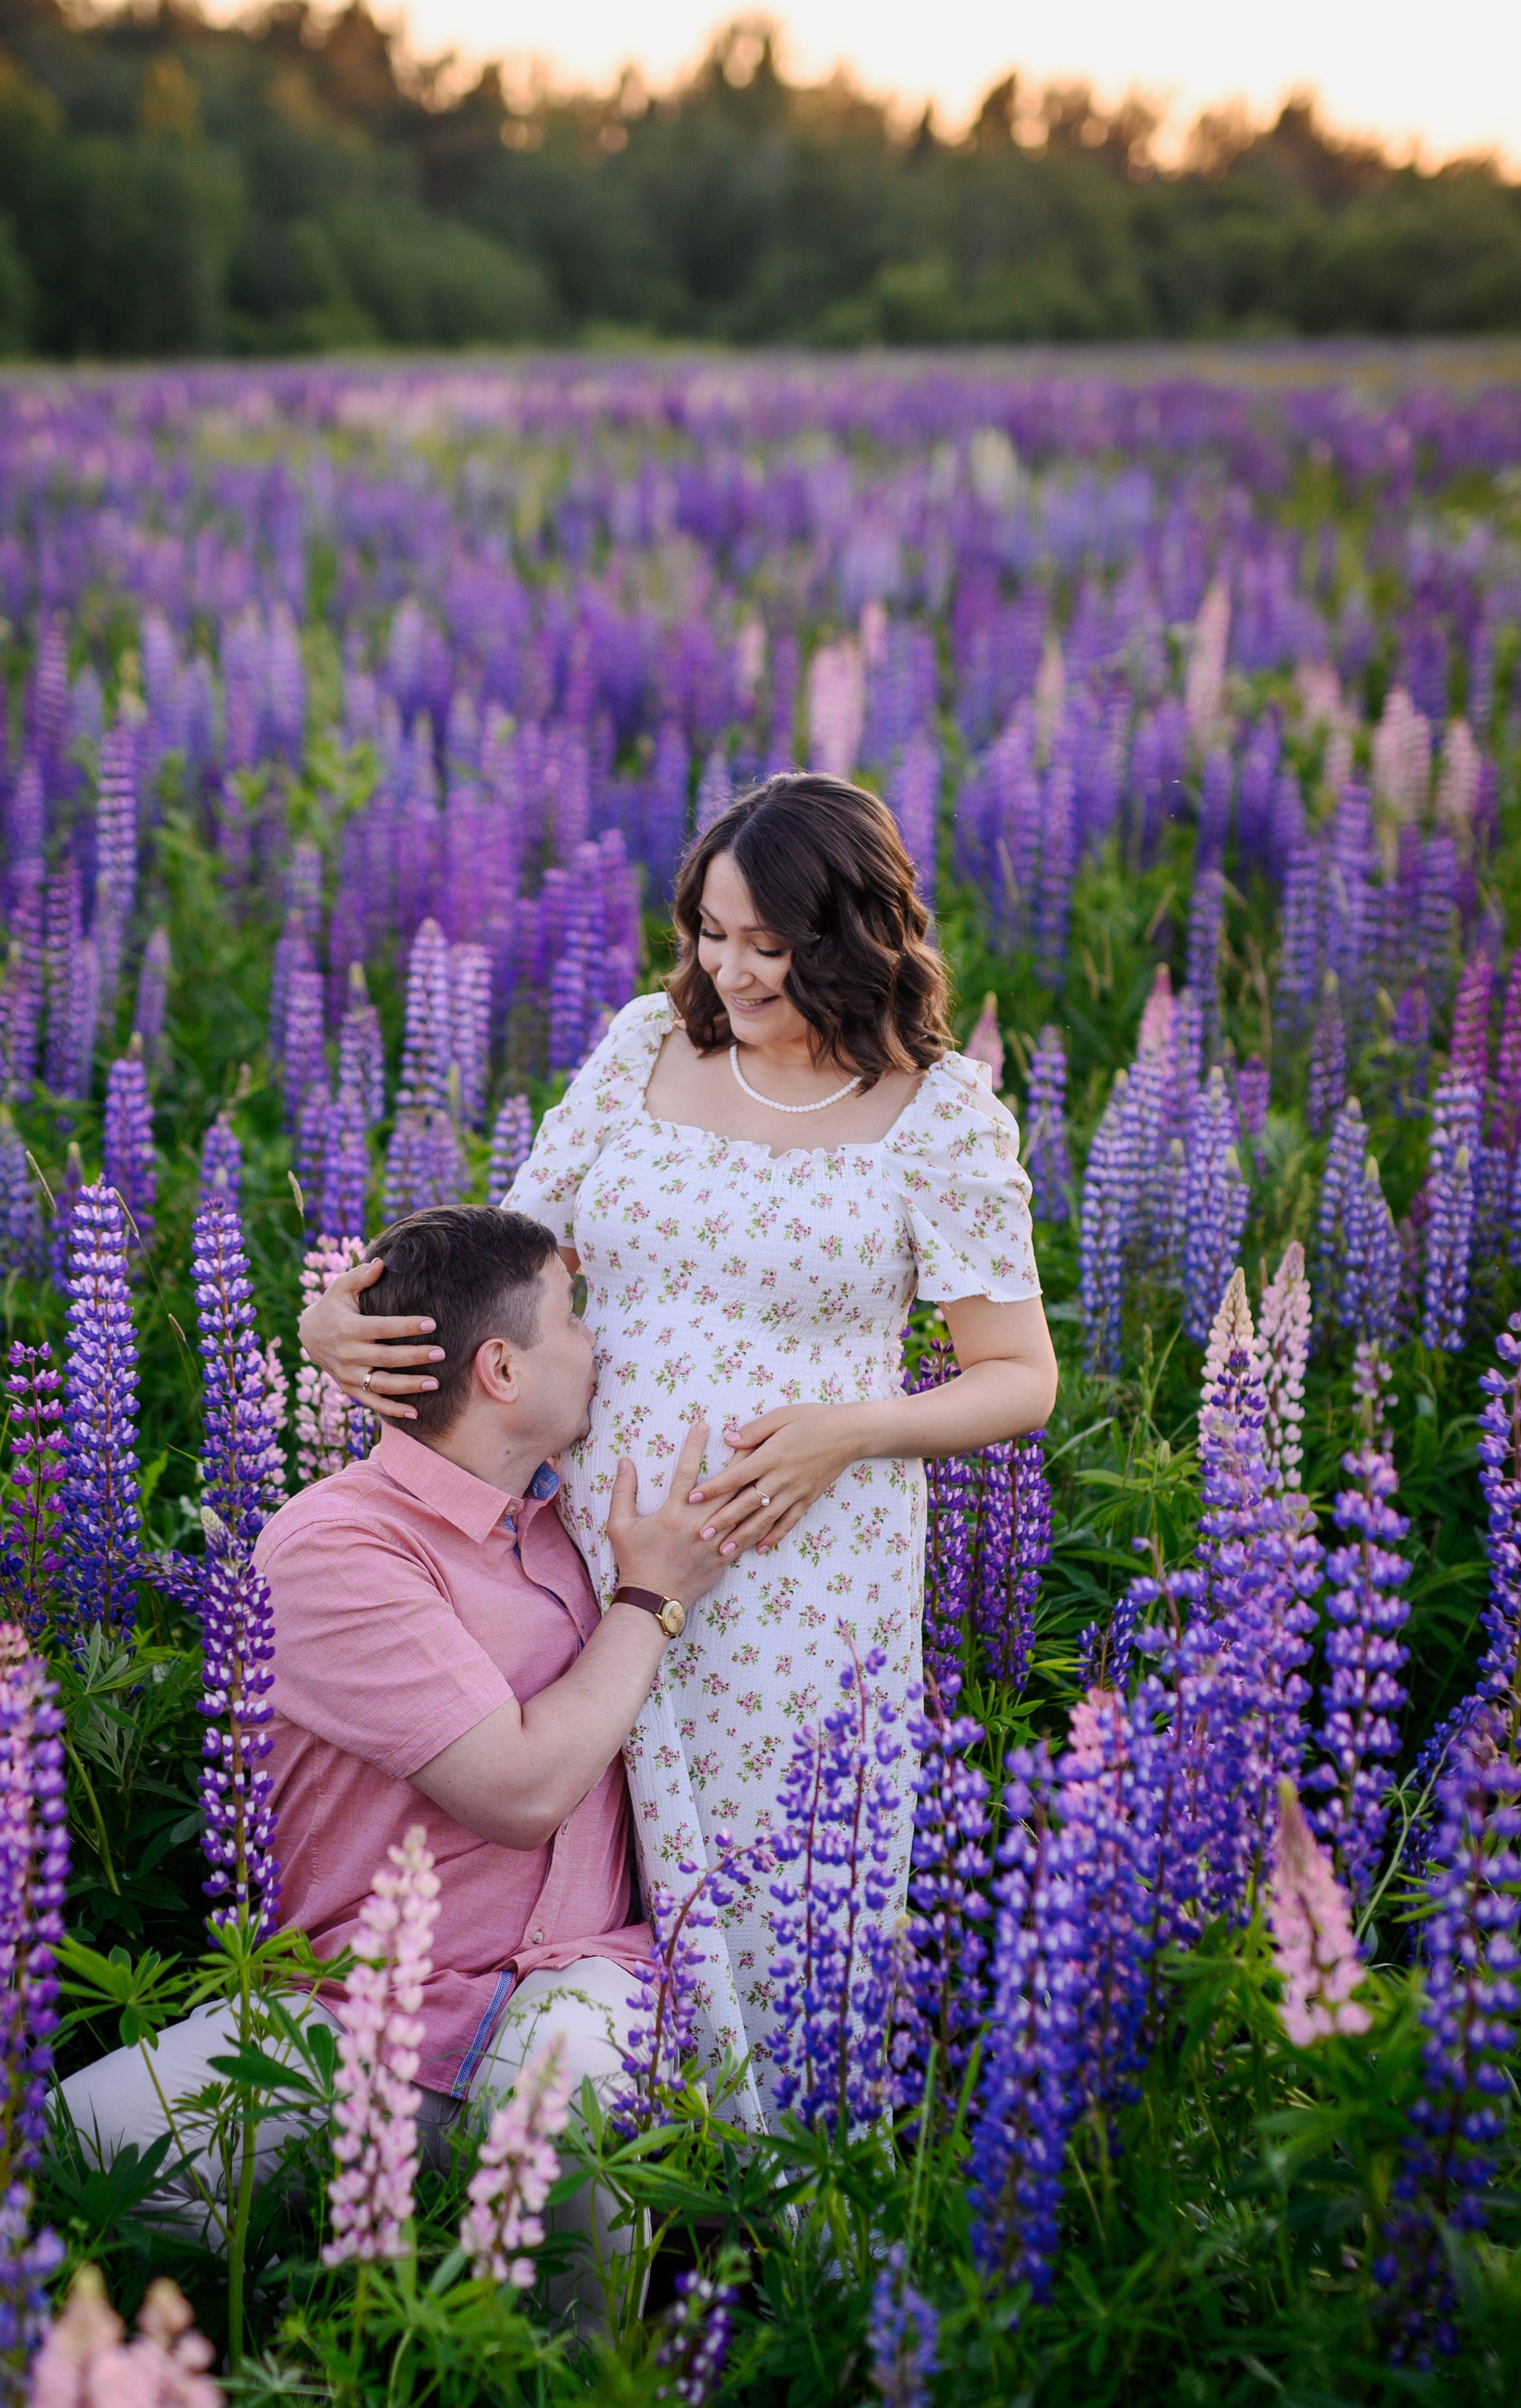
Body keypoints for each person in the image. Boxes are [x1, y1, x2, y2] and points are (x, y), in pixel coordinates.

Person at [301, 773, 1056, 2126]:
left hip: (801, 1579)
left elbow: (1018, 1379)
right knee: (598, 1882)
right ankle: (576, 2187)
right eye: (713, 931)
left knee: (780, 1891)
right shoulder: (649, 1040)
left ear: (855, 933)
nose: (732, 968)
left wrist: (855, 1428)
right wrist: (336, 1313)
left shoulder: (944, 1114)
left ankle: (765, 2228)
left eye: (771, 943)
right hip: (583, 1548)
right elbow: (510, 1251)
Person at [59, 1201, 738, 2315]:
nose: (599, 1346)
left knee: (558, 2092)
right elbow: (517, 1790)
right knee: (85, 2152)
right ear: (503, 1370)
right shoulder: (336, 1543)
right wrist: (650, 1601)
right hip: (362, 2010)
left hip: (576, 1978)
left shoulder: (568, 1514)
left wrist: (333, 1317)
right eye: (575, 1318)